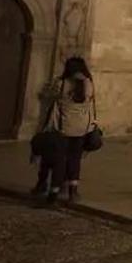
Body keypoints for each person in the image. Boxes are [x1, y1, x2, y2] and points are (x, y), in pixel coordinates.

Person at [46, 56, 95, 205]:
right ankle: (73, 191)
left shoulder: (61, 84)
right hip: (81, 128)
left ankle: (54, 192)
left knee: (59, 159)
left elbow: (50, 96)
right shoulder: (89, 84)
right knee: (75, 158)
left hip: (64, 128)